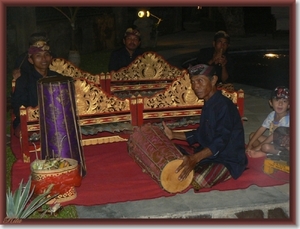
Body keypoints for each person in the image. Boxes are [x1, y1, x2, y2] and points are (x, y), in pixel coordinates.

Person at [162, 64, 248, 191]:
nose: (195, 87)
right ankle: (197, 163)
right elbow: (201, 133)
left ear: (213, 80)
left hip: (227, 158)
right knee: (170, 150)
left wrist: (195, 158)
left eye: (200, 81)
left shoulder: (224, 106)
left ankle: (205, 166)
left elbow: (220, 141)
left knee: (196, 181)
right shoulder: (209, 103)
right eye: (193, 82)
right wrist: (173, 135)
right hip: (209, 152)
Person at [11, 40, 59, 138]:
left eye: (46, 55)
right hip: (31, 121)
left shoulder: (57, 77)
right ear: (31, 60)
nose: (43, 59)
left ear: (51, 58)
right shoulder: (24, 80)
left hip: (56, 119)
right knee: (26, 133)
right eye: (38, 56)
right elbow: (18, 107)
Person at [246, 86, 290, 158]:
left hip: (283, 147)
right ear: (271, 103)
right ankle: (262, 151)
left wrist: (256, 148)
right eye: (277, 100)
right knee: (252, 135)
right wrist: (249, 145)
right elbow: (261, 129)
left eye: (284, 101)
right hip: (273, 142)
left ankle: (265, 153)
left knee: (265, 147)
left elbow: (271, 138)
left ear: (289, 105)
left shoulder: (287, 120)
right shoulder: (272, 114)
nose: (280, 104)